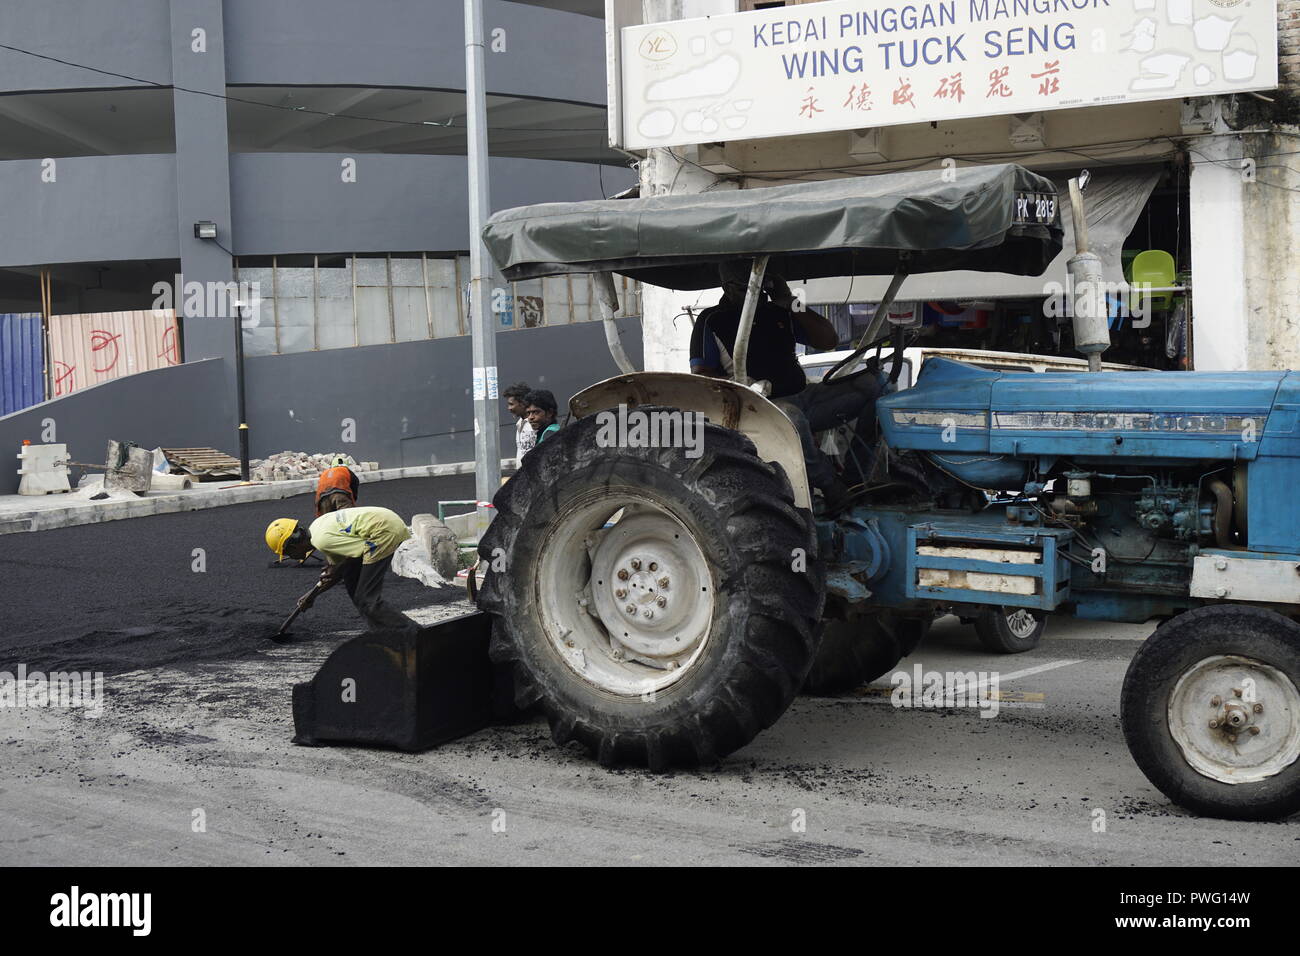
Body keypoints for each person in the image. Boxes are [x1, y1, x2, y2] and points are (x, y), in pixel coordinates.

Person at [689, 261, 882, 512]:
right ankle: (831, 486)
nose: (756, 291)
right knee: (791, 416)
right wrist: (742, 385)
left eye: (760, 284)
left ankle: (857, 480)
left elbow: (828, 340)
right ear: (728, 287)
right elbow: (702, 376)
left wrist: (790, 300)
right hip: (758, 408)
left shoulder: (781, 312)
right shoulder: (712, 320)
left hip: (805, 397)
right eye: (748, 286)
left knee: (873, 387)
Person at [265, 506, 414, 632]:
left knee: (367, 599)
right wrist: (311, 596)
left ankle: (414, 632)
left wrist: (335, 570)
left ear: (293, 545)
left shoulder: (323, 541)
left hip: (382, 531)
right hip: (382, 522)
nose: (291, 556)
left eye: (287, 553)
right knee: (353, 586)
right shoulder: (317, 528)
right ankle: (382, 633)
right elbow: (338, 571)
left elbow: (357, 555)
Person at [505, 382, 536, 464]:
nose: (509, 408)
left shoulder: (536, 424)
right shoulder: (519, 424)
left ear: (523, 403)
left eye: (511, 404)